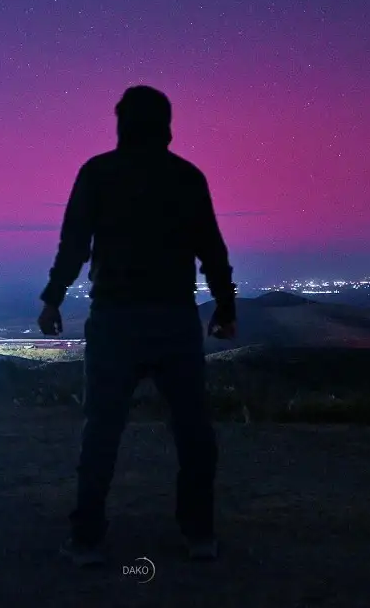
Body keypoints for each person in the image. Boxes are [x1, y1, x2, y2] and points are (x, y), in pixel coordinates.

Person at [37, 85, 238, 567]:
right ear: (167, 125)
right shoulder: (186, 177)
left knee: (102, 430)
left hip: (114, 321)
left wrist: (53, 298)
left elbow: (73, 246)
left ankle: (87, 536)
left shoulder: (98, 174)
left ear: (121, 123)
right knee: (192, 431)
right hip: (173, 320)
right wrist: (225, 307)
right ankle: (198, 533)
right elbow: (211, 248)